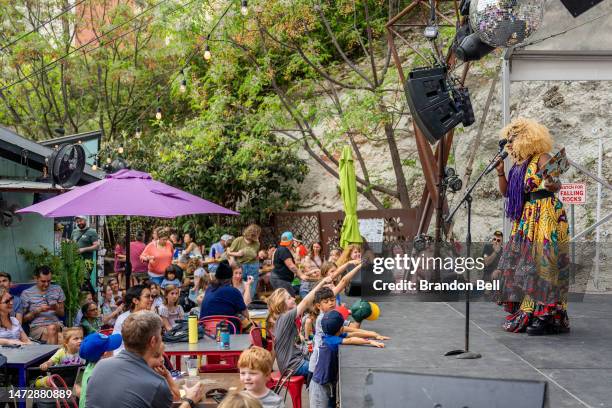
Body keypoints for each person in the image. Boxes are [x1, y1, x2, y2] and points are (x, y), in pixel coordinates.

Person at [494, 117, 570, 335]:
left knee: (544, 262)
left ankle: (545, 315)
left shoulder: (542, 158)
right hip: (528, 216)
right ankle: (529, 310)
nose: (509, 144)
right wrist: (500, 171)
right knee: (525, 263)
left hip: (546, 212)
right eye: (507, 140)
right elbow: (507, 193)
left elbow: (556, 185)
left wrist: (550, 181)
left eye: (512, 139)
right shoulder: (518, 165)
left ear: (526, 139)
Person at [86, 311, 204, 408]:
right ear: (153, 341)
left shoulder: (100, 366)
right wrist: (190, 400)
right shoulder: (155, 383)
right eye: (160, 334)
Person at [309, 310, 384, 408]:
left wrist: (374, 335)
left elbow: (352, 335)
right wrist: (369, 342)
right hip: (319, 387)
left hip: (328, 383)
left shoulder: (330, 336)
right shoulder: (331, 341)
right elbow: (351, 340)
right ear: (341, 329)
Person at [266, 277, 332, 376]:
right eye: (289, 298)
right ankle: (318, 389)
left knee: (324, 362)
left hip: (292, 364)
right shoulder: (285, 317)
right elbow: (305, 302)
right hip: (294, 366)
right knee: (326, 369)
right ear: (281, 303)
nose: (293, 298)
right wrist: (322, 282)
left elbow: (275, 347)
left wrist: (269, 369)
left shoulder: (281, 319)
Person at [77, 331, 123, 408]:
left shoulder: (90, 365)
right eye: (111, 348)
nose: (114, 351)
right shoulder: (102, 375)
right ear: (105, 354)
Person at [21, 265, 65, 344]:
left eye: (49, 281)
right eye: (43, 281)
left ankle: (51, 356)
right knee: (61, 338)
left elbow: (62, 313)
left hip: (57, 324)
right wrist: (37, 311)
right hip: (37, 327)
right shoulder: (26, 293)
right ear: (36, 278)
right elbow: (23, 319)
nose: (46, 284)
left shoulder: (57, 289)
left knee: (52, 328)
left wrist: (56, 308)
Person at [112, 284, 153, 354]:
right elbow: (116, 345)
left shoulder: (150, 316)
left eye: (151, 296)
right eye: (147, 297)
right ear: (135, 300)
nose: (151, 299)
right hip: (125, 357)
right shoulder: (123, 319)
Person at [270, 232, 309, 296]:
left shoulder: (280, 249)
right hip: (280, 279)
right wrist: (301, 275)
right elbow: (291, 266)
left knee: (286, 299)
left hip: (279, 278)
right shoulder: (284, 250)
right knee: (289, 298)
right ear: (291, 241)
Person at [226, 224, 261, 296]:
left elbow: (255, 255)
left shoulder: (257, 243)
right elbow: (229, 253)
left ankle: (248, 304)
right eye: (258, 234)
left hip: (253, 266)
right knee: (239, 287)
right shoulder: (238, 240)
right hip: (240, 266)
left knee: (251, 289)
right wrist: (237, 256)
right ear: (253, 234)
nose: (258, 236)